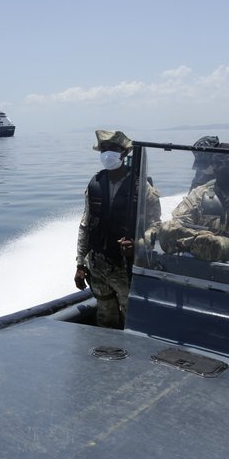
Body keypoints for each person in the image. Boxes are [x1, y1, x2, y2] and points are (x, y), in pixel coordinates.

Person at [74, 130, 161, 329]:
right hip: (97, 267)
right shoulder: (95, 183)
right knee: (105, 318)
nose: (107, 154)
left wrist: (138, 245)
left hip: (126, 268)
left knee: (132, 319)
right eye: (103, 149)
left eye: (112, 149)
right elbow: (85, 226)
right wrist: (80, 264)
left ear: (124, 153)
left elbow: (156, 227)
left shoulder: (142, 188)